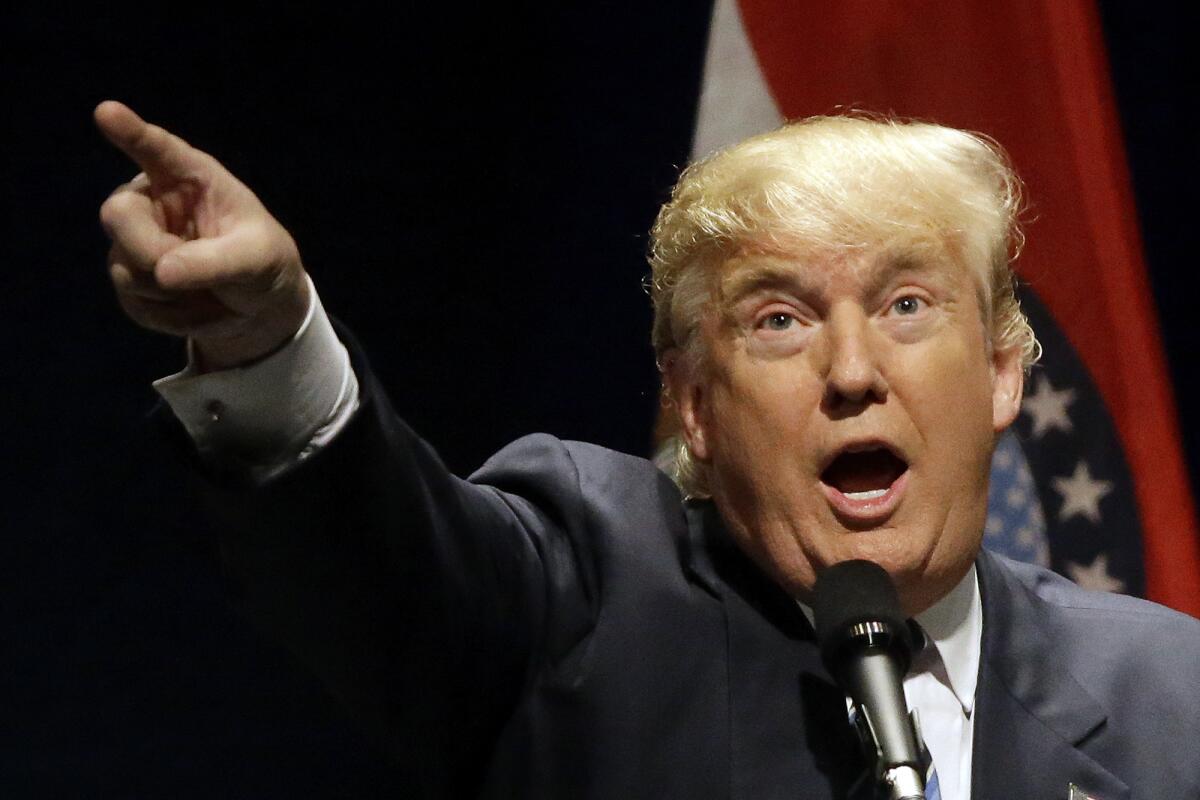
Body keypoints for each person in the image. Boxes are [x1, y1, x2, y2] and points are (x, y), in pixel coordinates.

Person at [96, 100, 1200, 799]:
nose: (855, 370)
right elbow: (383, 554)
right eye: (779, 319)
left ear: (1005, 369)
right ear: (695, 407)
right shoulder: (581, 597)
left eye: (908, 303)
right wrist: (266, 343)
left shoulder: (1170, 697)